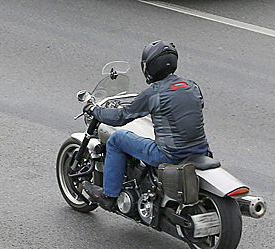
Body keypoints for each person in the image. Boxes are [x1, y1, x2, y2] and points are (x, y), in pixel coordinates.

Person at [83, 41, 209, 211]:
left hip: (170, 155)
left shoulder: (154, 93)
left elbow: (121, 117)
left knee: (117, 139)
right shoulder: (192, 86)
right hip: (201, 151)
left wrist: (95, 110)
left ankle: (109, 196)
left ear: (150, 66)